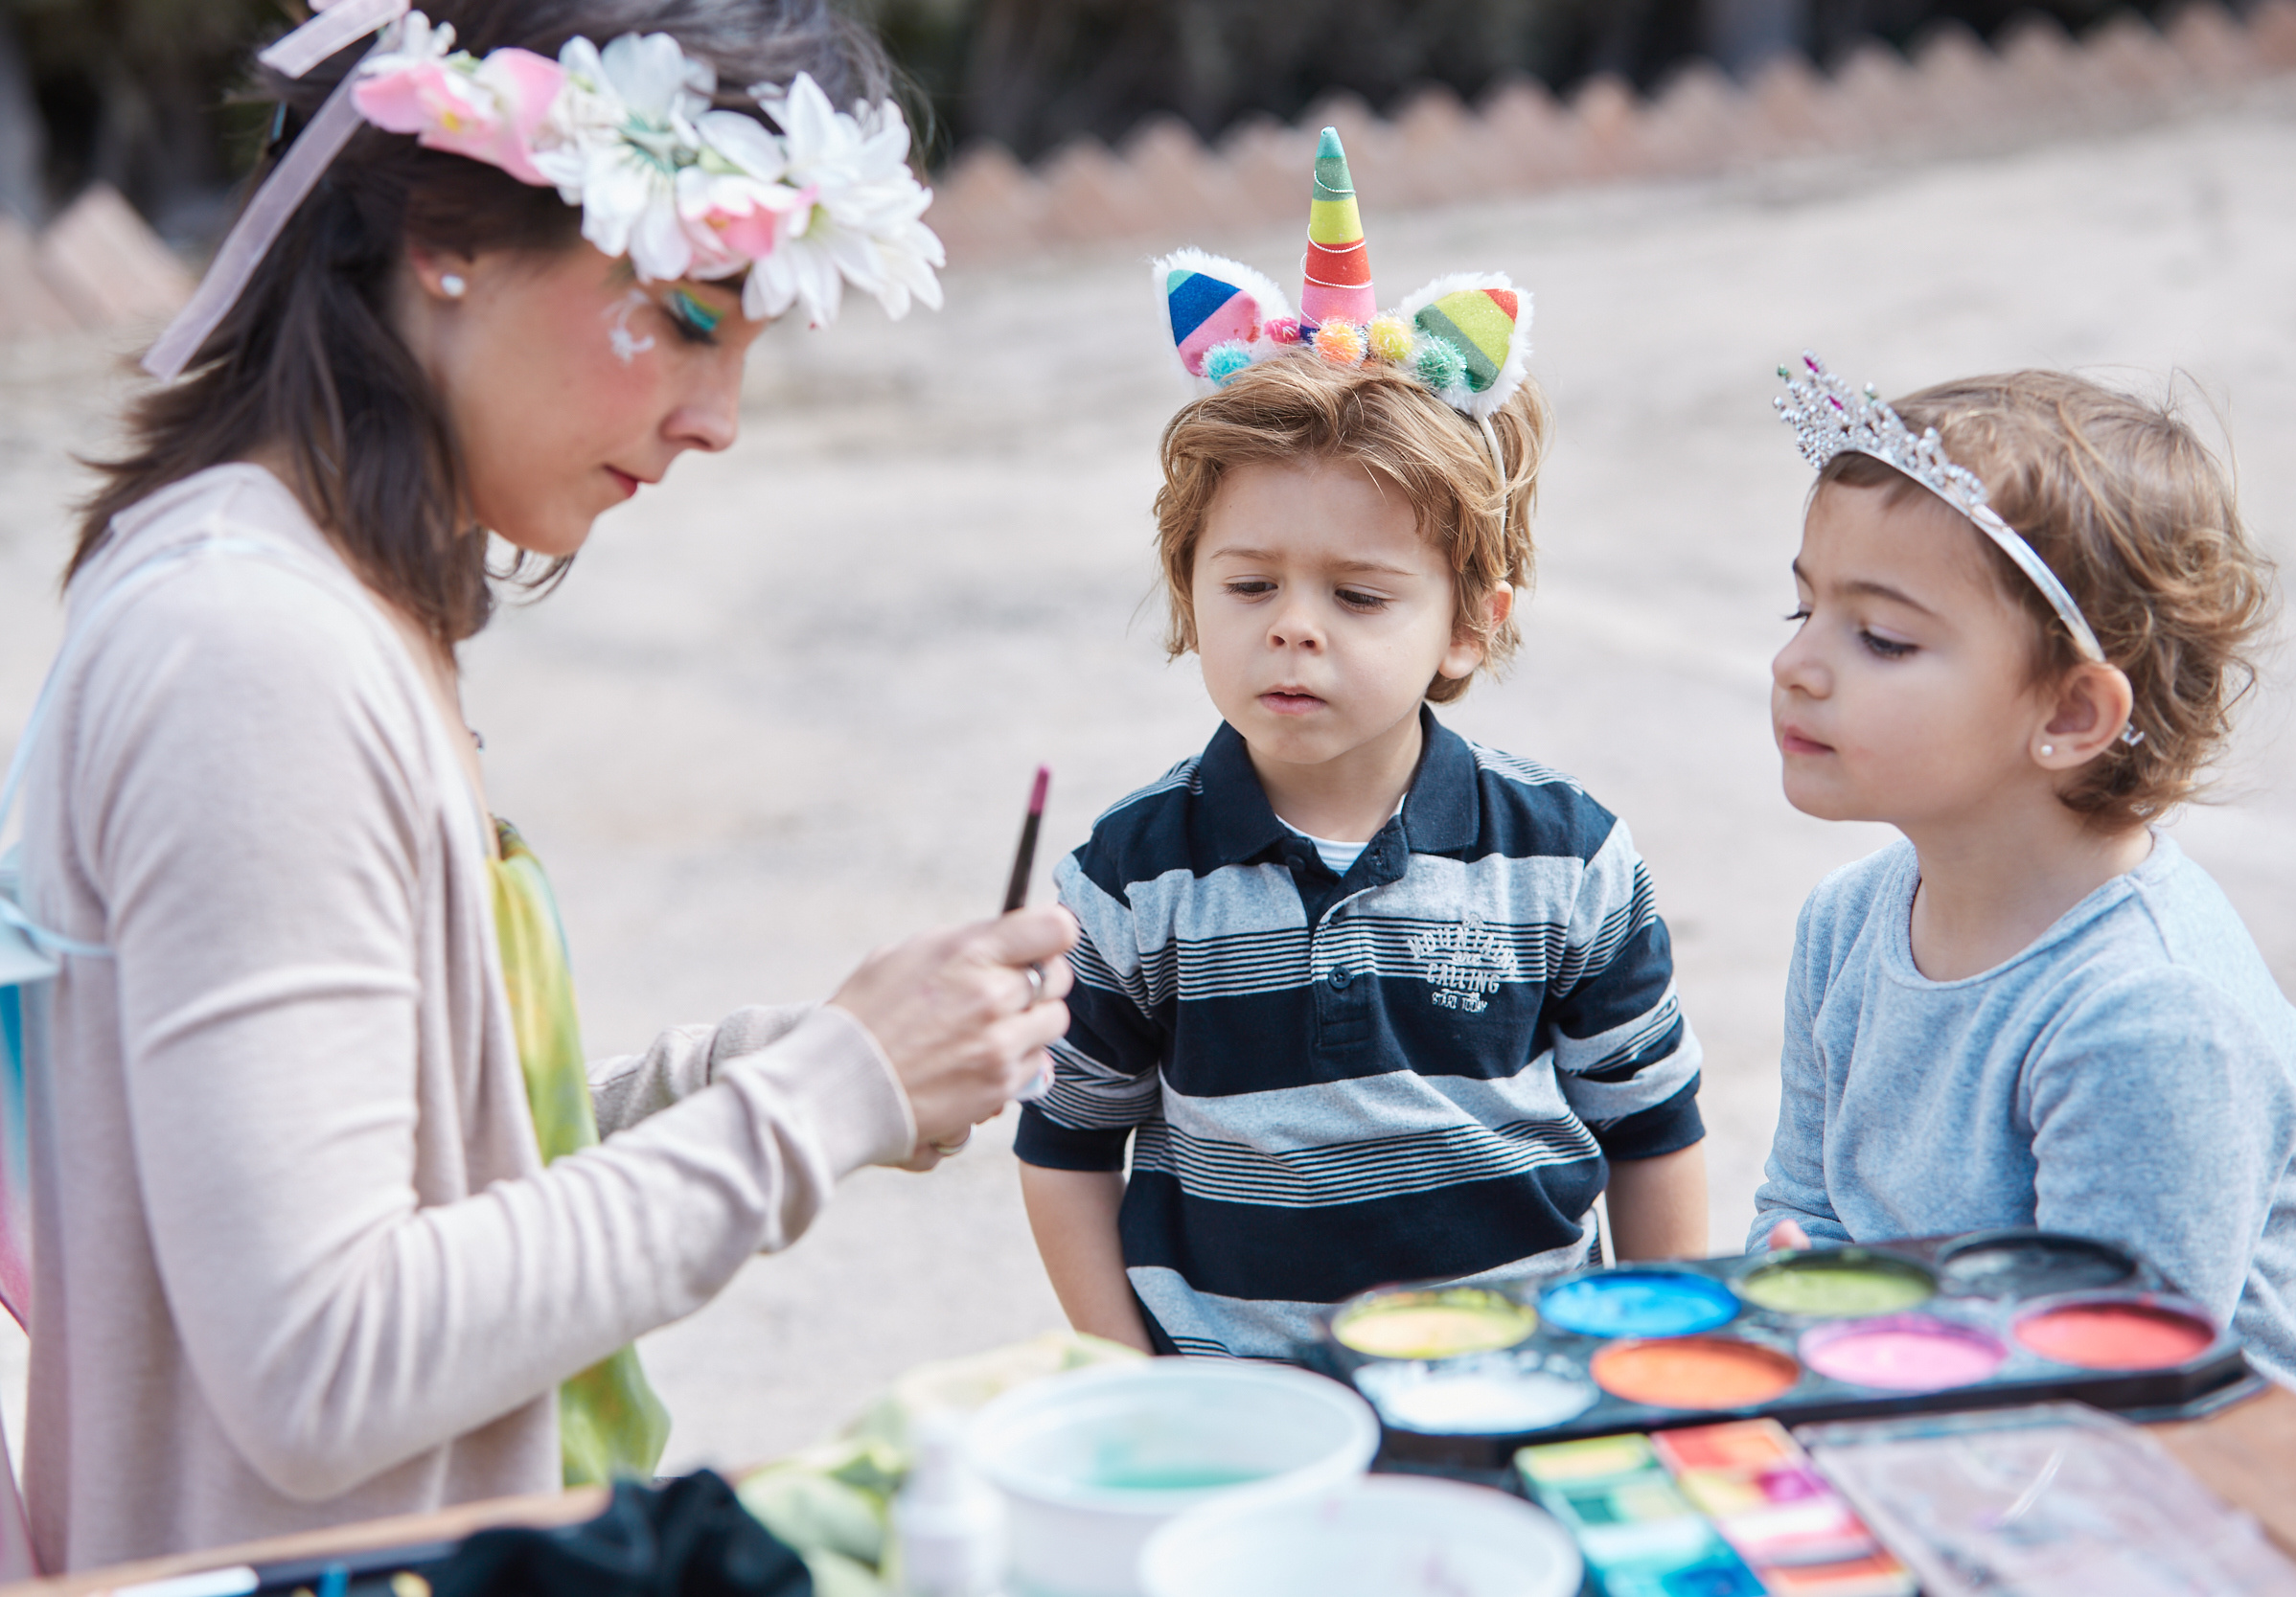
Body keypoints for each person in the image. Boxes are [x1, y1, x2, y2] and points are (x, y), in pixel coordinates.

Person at [7, 0, 1076, 1572]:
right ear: (448, 228)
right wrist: (829, 1091)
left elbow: (402, 1163)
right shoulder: (248, 648)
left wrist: (773, 1068)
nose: (719, 419)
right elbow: (324, 1358)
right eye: (697, 317)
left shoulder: (321, 598)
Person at [1013, 131, 1709, 1360]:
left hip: (1529, 1386)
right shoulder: (1129, 879)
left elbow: (1648, 1126)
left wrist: (1661, 1364)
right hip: (1243, 1421)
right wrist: (1129, 1378)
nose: (1293, 627)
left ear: (1468, 630)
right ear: (1188, 594)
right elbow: (1068, 1146)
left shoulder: (1565, 858)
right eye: (1249, 585)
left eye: (1359, 595)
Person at [1751, 355, 2296, 1405]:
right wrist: (1797, 1278)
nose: (1799, 665)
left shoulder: (2151, 1017)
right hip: (1916, 1412)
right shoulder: (1846, 923)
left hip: (2182, 1502)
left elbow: (2115, 1376)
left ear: (2068, 715)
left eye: (1880, 637)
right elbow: (1805, 1204)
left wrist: (1850, 1332)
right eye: (1802, 612)